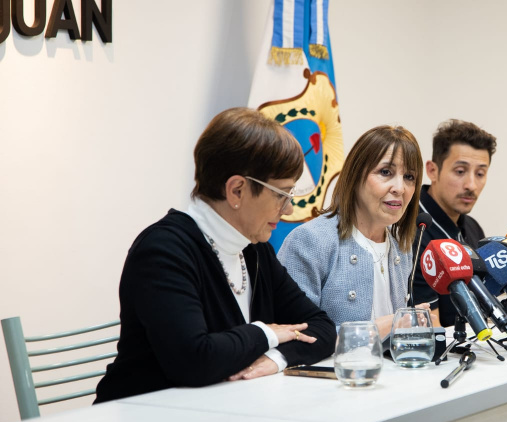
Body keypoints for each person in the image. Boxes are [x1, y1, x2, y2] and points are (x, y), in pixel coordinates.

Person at [95, 108, 336, 403]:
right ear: (237, 190)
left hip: (223, 410)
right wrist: (267, 333)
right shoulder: (163, 250)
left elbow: (323, 329)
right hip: (145, 418)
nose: (288, 209)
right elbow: (194, 360)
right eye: (281, 194)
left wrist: (276, 358)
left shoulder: (255, 249)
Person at [278, 125, 425, 337]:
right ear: (355, 176)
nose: (400, 188)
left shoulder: (402, 247)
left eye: (409, 177)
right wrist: (375, 330)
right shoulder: (309, 240)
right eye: (385, 172)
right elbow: (295, 335)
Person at [410, 119, 497, 326]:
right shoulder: (414, 230)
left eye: (480, 174)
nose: (471, 185)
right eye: (460, 171)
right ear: (432, 171)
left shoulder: (473, 227)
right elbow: (430, 328)